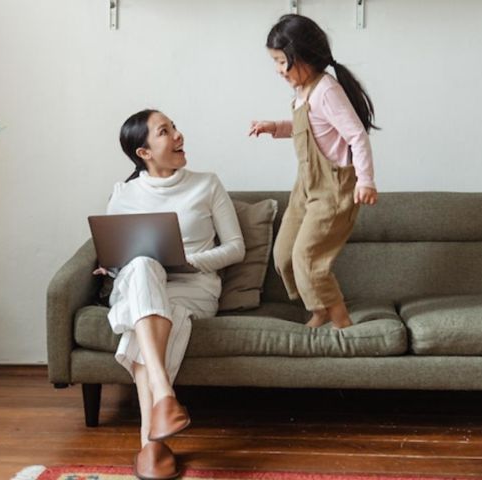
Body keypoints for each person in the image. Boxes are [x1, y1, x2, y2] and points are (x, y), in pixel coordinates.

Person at [96, 109, 244, 480]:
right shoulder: (123, 194)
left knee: (155, 315)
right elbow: (117, 258)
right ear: (144, 152)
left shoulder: (207, 184)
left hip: (194, 287)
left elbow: (235, 247)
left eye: (175, 127)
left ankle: (152, 442)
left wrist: (189, 260)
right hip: (141, 285)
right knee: (144, 265)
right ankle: (162, 403)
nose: (178, 135)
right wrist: (111, 266)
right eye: (165, 131)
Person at [249, 14, 378, 329]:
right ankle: (317, 307)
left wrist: (366, 181)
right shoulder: (303, 91)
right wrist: (274, 127)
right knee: (283, 256)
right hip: (305, 187)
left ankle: (341, 323)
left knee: (308, 260)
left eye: (282, 62)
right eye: (275, 62)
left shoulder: (326, 91)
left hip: (333, 189)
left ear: (304, 56)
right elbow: (307, 127)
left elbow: (356, 136)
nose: (279, 70)